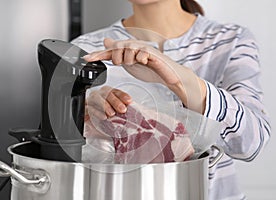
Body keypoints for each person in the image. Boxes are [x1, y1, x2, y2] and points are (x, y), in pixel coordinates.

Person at [71, 0, 271, 199]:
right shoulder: (85, 51)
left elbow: (252, 144)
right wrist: (85, 114)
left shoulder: (231, 40)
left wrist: (181, 80)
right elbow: (71, 160)